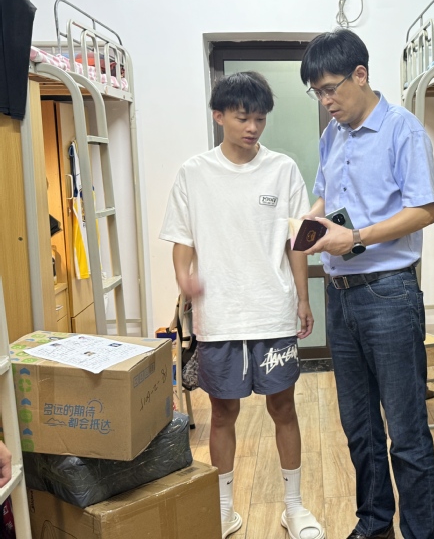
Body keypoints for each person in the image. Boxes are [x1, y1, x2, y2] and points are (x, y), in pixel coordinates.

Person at [160, 71, 324, 539]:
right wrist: (183, 277)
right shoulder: (194, 172)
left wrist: (303, 298)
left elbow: (296, 240)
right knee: (223, 413)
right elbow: (182, 238)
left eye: (260, 119)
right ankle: (224, 509)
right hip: (220, 316)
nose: (253, 127)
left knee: (284, 408)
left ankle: (294, 507)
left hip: (273, 310)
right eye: (242, 117)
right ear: (219, 116)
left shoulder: (282, 169)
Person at [299, 29, 434, 539]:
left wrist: (355, 237)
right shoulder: (332, 135)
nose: (326, 101)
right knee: (359, 426)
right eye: (317, 93)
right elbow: (325, 196)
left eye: (331, 89)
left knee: (406, 430)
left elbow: (425, 209)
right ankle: (375, 522)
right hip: (340, 297)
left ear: (360, 75)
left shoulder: (402, 130)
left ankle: (420, 533)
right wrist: (307, 223)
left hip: (389, 293)